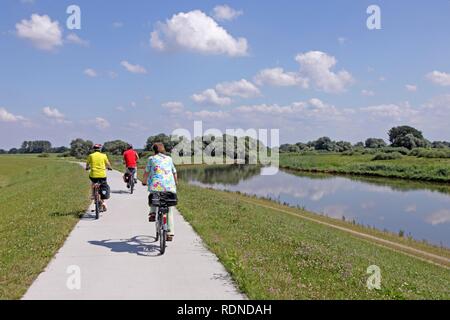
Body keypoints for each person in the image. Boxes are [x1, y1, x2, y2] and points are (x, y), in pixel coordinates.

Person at [142, 143, 178, 242]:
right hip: (169, 187)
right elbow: (174, 172)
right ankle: (170, 233)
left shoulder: (151, 159)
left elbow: (146, 172)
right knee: (169, 210)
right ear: (163, 149)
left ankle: (153, 213)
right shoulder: (169, 159)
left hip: (155, 186)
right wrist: (176, 183)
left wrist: (144, 181)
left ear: (154, 150)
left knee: (153, 196)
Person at [86, 144, 112, 211]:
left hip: (93, 175)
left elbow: (87, 163)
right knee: (103, 186)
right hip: (102, 175)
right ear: (100, 149)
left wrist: (87, 167)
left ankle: (93, 194)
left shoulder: (91, 155)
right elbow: (108, 163)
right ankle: (103, 202)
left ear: (94, 149)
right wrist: (109, 167)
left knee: (93, 183)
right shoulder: (104, 155)